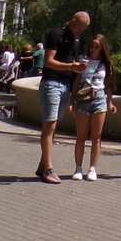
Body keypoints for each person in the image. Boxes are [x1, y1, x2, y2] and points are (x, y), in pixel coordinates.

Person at [36, 11, 89, 184]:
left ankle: (42, 165)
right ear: (73, 21)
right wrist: (70, 66)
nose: (80, 32)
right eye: (79, 28)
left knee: (54, 126)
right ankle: (48, 169)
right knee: (49, 125)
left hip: (65, 85)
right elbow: (49, 61)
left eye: (83, 30)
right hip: (52, 83)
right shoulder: (55, 34)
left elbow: (72, 61)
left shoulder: (76, 38)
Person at [70, 34, 117, 181]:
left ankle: (92, 168)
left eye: (97, 47)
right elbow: (77, 81)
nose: (93, 49)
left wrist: (110, 102)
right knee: (81, 136)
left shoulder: (106, 64)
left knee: (96, 137)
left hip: (99, 100)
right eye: (92, 46)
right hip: (84, 99)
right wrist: (72, 101)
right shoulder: (83, 61)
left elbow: (108, 86)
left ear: (102, 48)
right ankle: (78, 168)